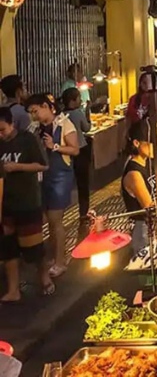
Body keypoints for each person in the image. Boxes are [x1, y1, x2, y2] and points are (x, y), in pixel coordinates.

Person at [0, 106, 53, 300]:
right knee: (8, 248)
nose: (1, 134)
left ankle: (44, 277)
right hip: (5, 204)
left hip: (27, 201)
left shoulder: (27, 140)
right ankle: (13, 290)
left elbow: (43, 164)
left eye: (2, 129)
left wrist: (17, 167)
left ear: (12, 123)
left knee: (34, 248)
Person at [26, 93, 80, 279]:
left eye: (35, 111)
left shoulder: (64, 123)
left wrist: (55, 146)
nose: (34, 116)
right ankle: (54, 257)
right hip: (43, 177)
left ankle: (60, 261)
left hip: (60, 176)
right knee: (48, 220)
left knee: (56, 220)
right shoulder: (35, 128)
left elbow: (75, 149)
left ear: (46, 106)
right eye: (31, 113)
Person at [122, 121, 157, 251]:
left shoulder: (150, 163)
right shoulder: (134, 174)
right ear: (136, 143)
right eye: (151, 142)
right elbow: (151, 211)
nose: (156, 146)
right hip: (144, 231)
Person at [61, 88, 92, 222]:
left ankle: (61, 213)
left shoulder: (61, 115)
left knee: (67, 182)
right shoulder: (77, 113)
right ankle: (83, 212)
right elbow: (87, 128)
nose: (81, 100)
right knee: (83, 183)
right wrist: (87, 111)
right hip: (81, 150)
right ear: (73, 101)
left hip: (66, 151)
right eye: (79, 98)